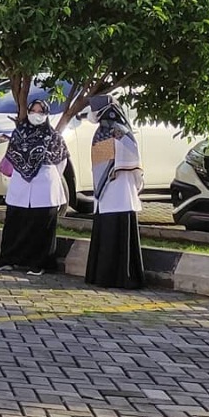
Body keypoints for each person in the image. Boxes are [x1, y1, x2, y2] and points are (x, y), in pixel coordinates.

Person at [0, 100, 69, 277]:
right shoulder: (19, 133)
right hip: (20, 186)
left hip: (45, 186)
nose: (36, 114)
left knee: (41, 225)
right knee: (15, 222)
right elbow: (12, 155)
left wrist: (45, 174)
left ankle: (39, 263)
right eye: (33, 111)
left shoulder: (54, 136)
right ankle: (8, 259)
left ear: (47, 114)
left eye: (40, 111)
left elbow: (61, 162)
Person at [85, 101, 145, 290]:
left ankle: (113, 276)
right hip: (111, 192)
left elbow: (131, 157)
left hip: (118, 190)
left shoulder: (117, 131)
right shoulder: (106, 131)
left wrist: (118, 165)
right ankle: (110, 276)